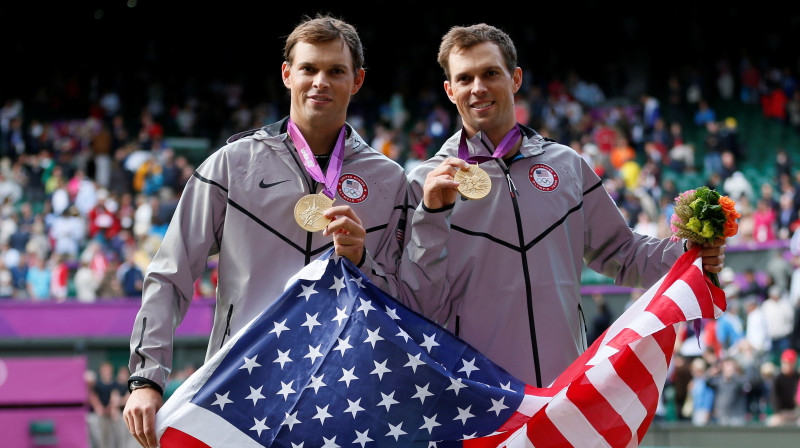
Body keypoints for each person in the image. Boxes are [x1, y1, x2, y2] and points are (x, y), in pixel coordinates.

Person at [123, 14, 408, 448]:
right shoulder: (231, 164)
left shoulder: (389, 180)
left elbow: (408, 300)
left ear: (358, 81)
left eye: (336, 71)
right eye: (309, 68)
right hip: (241, 393)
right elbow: (170, 273)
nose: (320, 82)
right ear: (286, 73)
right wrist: (146, 376)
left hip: (345, 398)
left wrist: (362, 261)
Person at [400, 23, 727, 388]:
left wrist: (686, 255)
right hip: (478, 400)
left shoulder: (566, 165)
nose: (477, 87)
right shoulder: (425, 184)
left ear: (515, 79)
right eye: (464, 78)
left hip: (562, 399)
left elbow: (622, 252)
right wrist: (431, 215)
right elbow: (417, 303)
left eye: (490, 72)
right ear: (449, 90)